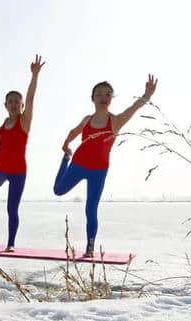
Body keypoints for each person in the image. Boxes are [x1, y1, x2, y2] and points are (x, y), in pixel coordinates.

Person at [54, 74, 158, 256]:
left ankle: (90, 249)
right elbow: (74, 132)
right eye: (100, 94)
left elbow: (133, 108)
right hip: (78, 164)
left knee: (91, 208)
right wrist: (66, 145)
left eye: (108, 94)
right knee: (58, 191)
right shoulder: (87, 120)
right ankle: (65, 161)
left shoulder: (115, 121)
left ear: (111, 98)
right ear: (93, 98)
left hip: (98, 171)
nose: (104, 97)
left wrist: (147, 96)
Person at [0, 55, 45, 251]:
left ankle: (10, 243)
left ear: (21, 106)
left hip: (18, 171)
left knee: (11, 208)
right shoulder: (4, 124)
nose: (14, 104)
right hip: (0, 168)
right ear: (5, 105)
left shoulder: (24, 122)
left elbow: (31, 98)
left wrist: (35, 76)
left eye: (17, 102)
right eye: (10, 101)